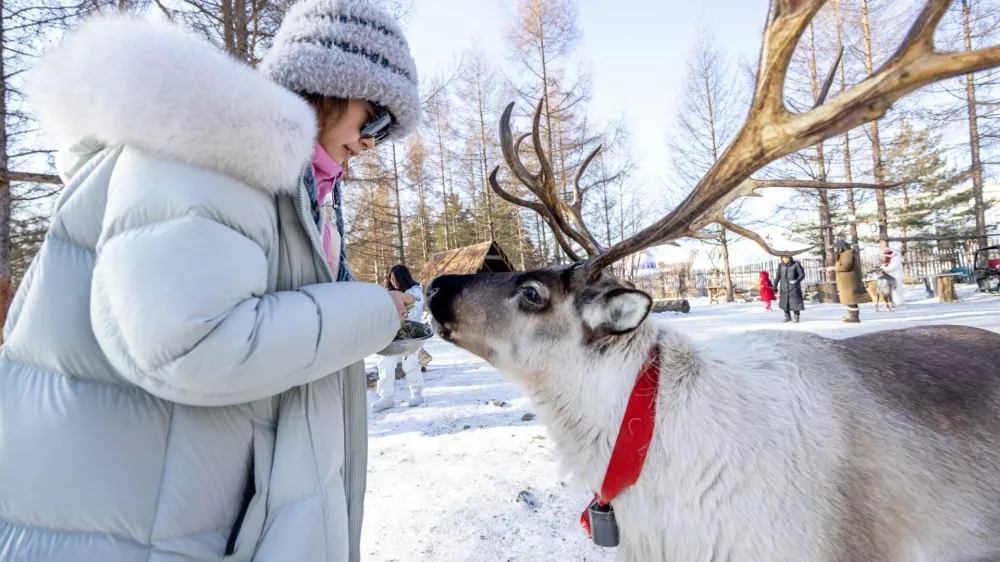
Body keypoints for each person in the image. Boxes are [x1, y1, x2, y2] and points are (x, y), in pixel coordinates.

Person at [0, 1, 421, 560]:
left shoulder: (289, 188)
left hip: (186, 513)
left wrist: (374, 327)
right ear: (332, 82)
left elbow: (266, 323)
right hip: (129, 527)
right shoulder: (214, 149)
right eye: (376, 119)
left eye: (385, 135)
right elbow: (190, 342)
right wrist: (368, 312)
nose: (372, 143)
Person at [373, 264, 427, 411]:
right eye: (392, 279)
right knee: (385, 364)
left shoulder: (415, 292)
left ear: (404, 279)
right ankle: (386, 397)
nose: (394, 282)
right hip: (391, 333)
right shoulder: (389, 292)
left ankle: (416, 393)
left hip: (409, 333)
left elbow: (411, 314)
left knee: (410, 364)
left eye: (397, 279)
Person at [829, 240, 872, 323]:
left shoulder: (846, 254)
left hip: (850, 281)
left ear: (840, 247)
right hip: (847, 281)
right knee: (849, 298)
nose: (835, 249)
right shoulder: (845, 254)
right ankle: (851, 315)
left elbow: (845, 267)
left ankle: (854, 317)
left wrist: (833, 268)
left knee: (851, 298)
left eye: (836, 248)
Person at [773, 255, 805, 323]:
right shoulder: (781, 265)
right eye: (783, 258)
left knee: (795, 303)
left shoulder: (796, 264)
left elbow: (802, 275)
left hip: (794, 287)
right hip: (784, 287)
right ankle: (787, 317)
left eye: (787, 258)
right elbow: (778, 276)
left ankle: (796, 317)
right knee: (785, 303)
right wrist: (775, 285)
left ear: (790, 258)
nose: (785, 259)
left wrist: (796, 281)